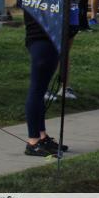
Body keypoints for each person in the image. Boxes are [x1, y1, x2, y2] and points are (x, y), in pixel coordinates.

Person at [22, 12, 67, 157]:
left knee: (40, 90)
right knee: (37, 89)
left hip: (48, 37)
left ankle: (41, 136)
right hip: (41, 37)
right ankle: (33, 141)